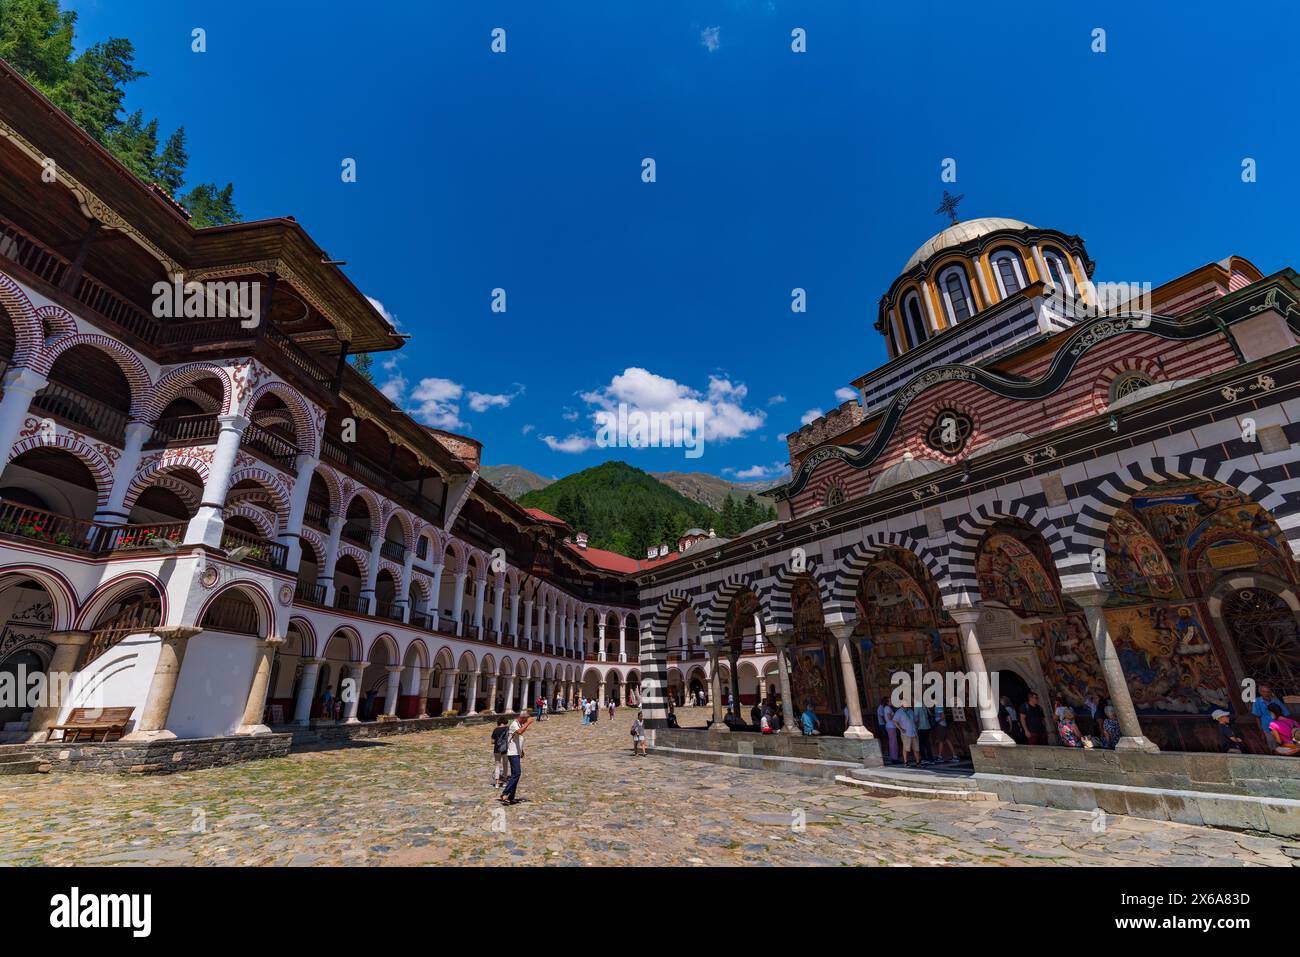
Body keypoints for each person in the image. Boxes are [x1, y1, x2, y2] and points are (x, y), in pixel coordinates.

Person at [501, 708, 533, 805]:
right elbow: (519, 732)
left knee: (516, 775)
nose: (526, 721)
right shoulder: (514, 724)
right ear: (522, 717)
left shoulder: (519, 724)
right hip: (512, 753)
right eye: (525, 719)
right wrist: (528, 723)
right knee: (517, 774)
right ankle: (505, 793)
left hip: (516, 752)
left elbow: (516, 738)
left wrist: (521, 750)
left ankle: (511, 797)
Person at [893, 702, 921, 768]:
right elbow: (894, 721)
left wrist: (916, 726)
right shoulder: (899, 712)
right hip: (906, 733)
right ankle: (906, 762)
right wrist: (901, 729)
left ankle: (918, 762)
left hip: (914, 732)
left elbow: (915, 720)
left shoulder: (910, 711)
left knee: (916, 748)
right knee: (906, 748)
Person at [491, 716, 510, 787]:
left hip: (496, 749)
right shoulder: (507, 729)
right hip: (505, 749)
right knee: (505, 765)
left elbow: (492, 741)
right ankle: (505, 782)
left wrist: (498, 741)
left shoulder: (495, 730)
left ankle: (496, 783)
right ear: (505, 722)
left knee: (497, 765)